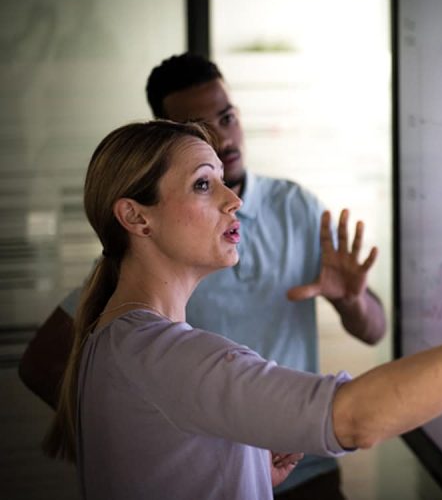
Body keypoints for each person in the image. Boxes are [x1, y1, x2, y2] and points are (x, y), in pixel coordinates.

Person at [44, 119, 442, 499]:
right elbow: (356, 419)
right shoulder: (166, 356)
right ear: (135, 217)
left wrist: (245, 472)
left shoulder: (115, 339)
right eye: (204, 185)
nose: (234, 199)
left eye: (223, 180)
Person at [18, 53, 386, 498]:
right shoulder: (150, 316)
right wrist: (166, 451)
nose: (224, 138)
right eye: (201, 182)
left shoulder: (296, 207)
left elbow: (374, 330)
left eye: (227, 117)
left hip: (292, 468)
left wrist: (350, 299)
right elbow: (356, 416)